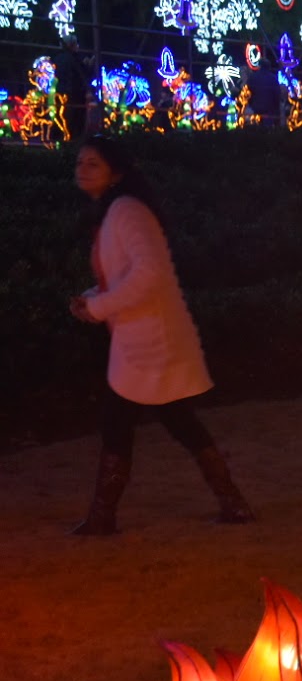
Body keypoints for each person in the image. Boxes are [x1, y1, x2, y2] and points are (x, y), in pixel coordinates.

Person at [67, 135, 254, 533]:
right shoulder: (118, 211)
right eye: (80, 162)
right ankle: (232, 502)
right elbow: (127, 275)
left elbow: (149, 273)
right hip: (141, 337)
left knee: (133, 418)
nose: (82, 169)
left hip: (151, 339)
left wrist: (98, 306)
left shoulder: (126, 211)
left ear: (116, 172)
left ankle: (103, 517)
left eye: (93, 164)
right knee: (173, 418)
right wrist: (92, 300)